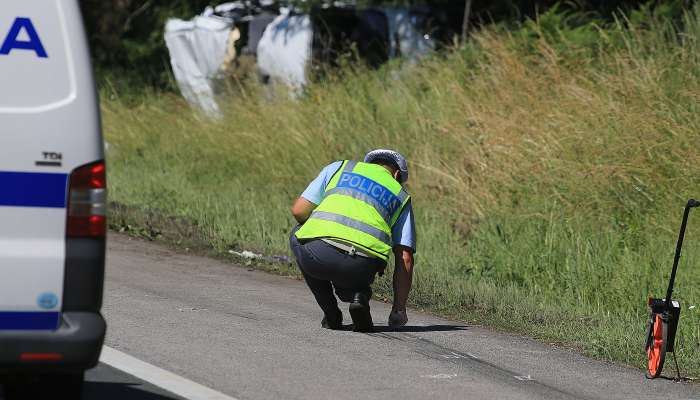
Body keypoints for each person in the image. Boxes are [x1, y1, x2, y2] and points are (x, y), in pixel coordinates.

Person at [289, 149, 416, 332]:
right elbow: (405, 257)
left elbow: (298, 211)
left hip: (318, 253)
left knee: (298, 234)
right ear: (397, 174)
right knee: (348, 271)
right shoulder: (401, 196)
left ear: (368, 163)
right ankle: (359, 295)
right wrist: (399, 309)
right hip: (363, 266)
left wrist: (316, 231)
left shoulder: (339, 168)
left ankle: (331, 313)